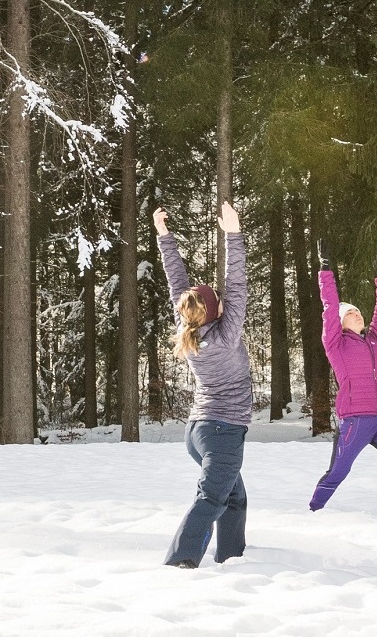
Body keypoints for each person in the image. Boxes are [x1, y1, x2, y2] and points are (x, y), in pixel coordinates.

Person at [156, 202, 255, 568]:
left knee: (233, 497)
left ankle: (233, 555)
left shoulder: (188, 329)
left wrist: (164, 236)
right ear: (216, 310)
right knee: (211, 498)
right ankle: (181, 560)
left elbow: (176, 282)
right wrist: (233, 234)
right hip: (222, 431)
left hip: (199, 431)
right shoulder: (226, 335)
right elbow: (238, 282)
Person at [305, 240, 377, 515]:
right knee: (338, 472)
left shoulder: (375, 341)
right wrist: (325, 269)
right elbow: (330, 306)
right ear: (341, 322)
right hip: (356, 420)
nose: (357, 314)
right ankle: (313, 512)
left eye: (358, 311)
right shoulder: (336, 343)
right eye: (351, 313)